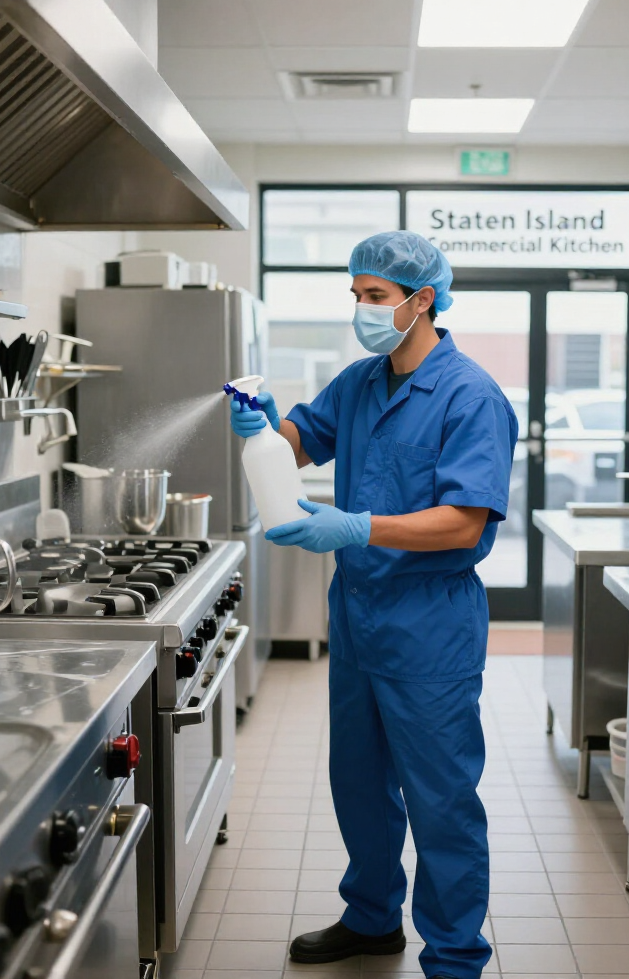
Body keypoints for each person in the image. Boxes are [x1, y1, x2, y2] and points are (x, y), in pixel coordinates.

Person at [229, 231, 517, 979]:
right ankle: (371, 918)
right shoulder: (359, 383)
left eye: (376, 297)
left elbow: (465, 520)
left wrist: (355, 525)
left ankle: (454, 957)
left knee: (441, 798)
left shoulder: (471, 395)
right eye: (356, 296)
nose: (362, 309)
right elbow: (299, 441)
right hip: (357, 618)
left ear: (422, 300)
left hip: (430, 623)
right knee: (358, 780)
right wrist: (263, 428)